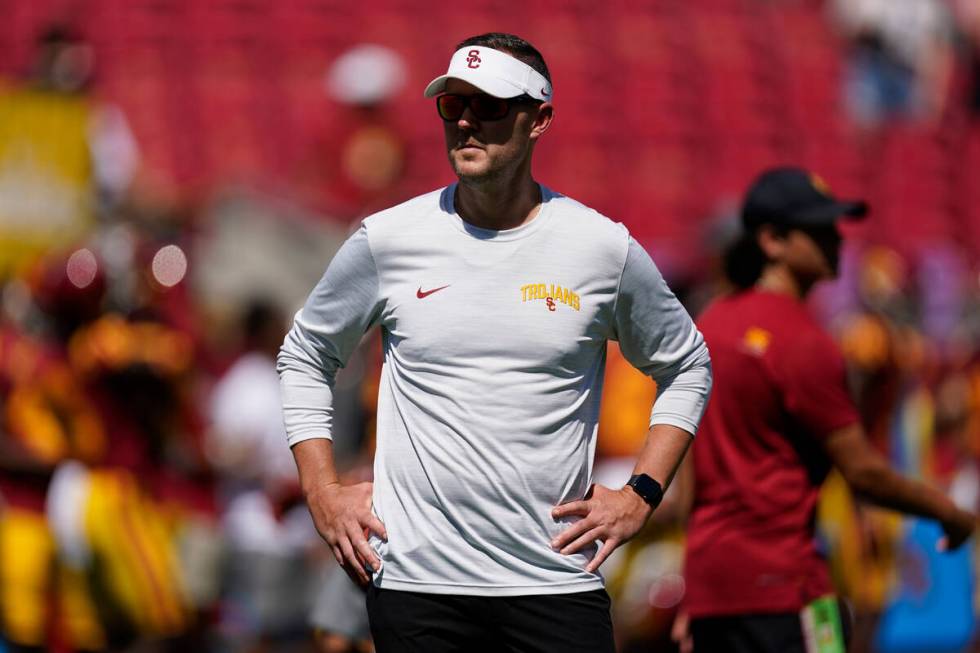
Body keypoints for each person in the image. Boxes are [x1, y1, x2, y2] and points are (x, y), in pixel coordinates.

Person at [278, 32, 712, 652]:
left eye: (488, 106)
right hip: (418, 587)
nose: (465, 123)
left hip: (555, 582)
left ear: (539, 119)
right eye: (452, 106)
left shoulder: (601, 248)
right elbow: (305, 355)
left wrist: (642, 493)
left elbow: (688, 364)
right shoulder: (387, 239)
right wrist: (322, 493)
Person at [677, 167, 976, 653]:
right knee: (836, 638)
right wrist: (947, 512)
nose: (835, 239)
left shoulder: (710, 325)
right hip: (792, 587)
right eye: (818, 230)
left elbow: (688, 462)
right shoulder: (805, 340)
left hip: (713, 588)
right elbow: (863, 473)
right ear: (772, 240)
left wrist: (693, 591)